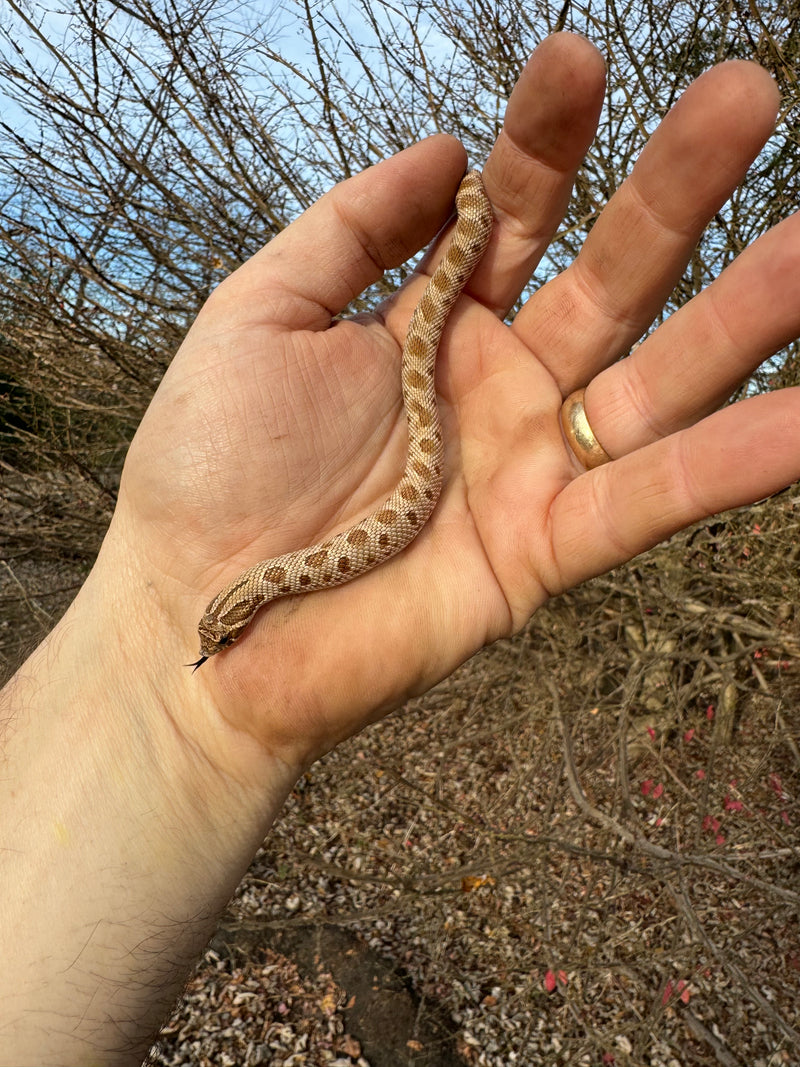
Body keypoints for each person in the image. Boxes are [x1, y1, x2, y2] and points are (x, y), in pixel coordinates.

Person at [1, 31, 798, 1067]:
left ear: (240, 605)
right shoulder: (248, 586)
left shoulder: (271, 576)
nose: (225, 626)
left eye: (222, 618)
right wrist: (156, 684)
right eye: (225, 622)